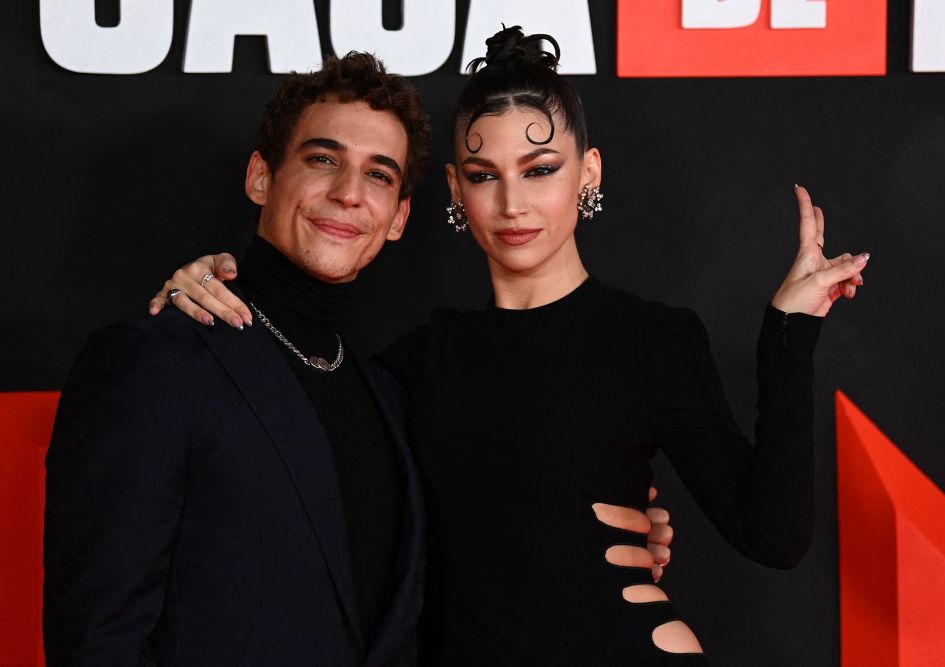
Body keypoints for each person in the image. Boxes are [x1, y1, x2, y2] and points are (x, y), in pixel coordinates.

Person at [149, 27, 868, 664]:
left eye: (540, 169)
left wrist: (790, 330)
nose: (513, 203)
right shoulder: (412, 363)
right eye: (485, 176)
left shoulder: (654, 339)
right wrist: (209, 280)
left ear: (589, 172)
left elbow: (773, 535)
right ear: (455, 190)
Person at [44, 51, 668, 666]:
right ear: (261, 176)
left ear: (398, 217)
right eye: (323, 159)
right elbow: (97, 638)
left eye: (379, 175)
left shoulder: (392, 391)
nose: (348, 193)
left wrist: (596, 519)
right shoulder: (153, 363)